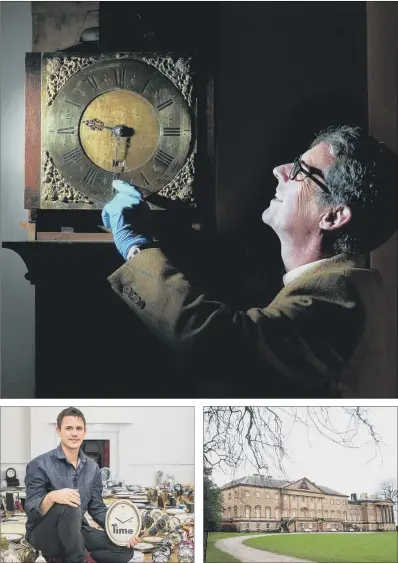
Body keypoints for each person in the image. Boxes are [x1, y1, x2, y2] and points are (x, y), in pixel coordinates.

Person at [102, 126, 397, 398]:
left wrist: (135, 248)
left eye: (300, 171)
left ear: (332, 216)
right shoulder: (351, 285)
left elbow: (223, 344)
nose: (279, 171)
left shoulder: (340, 298)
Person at [24, 407, 141, 563]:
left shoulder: (93, 468)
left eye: (79, 428)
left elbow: (97, 508)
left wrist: (124, 532)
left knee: (124, 549)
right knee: (69, 504)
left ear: (85, 432)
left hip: (77, 531)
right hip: (44, 534)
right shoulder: (39, 464)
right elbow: (31, 510)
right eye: (68, 428)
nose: (74, 433)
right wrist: (52, 497)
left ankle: (74, 556)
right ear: (58, 431)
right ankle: (80, 558)